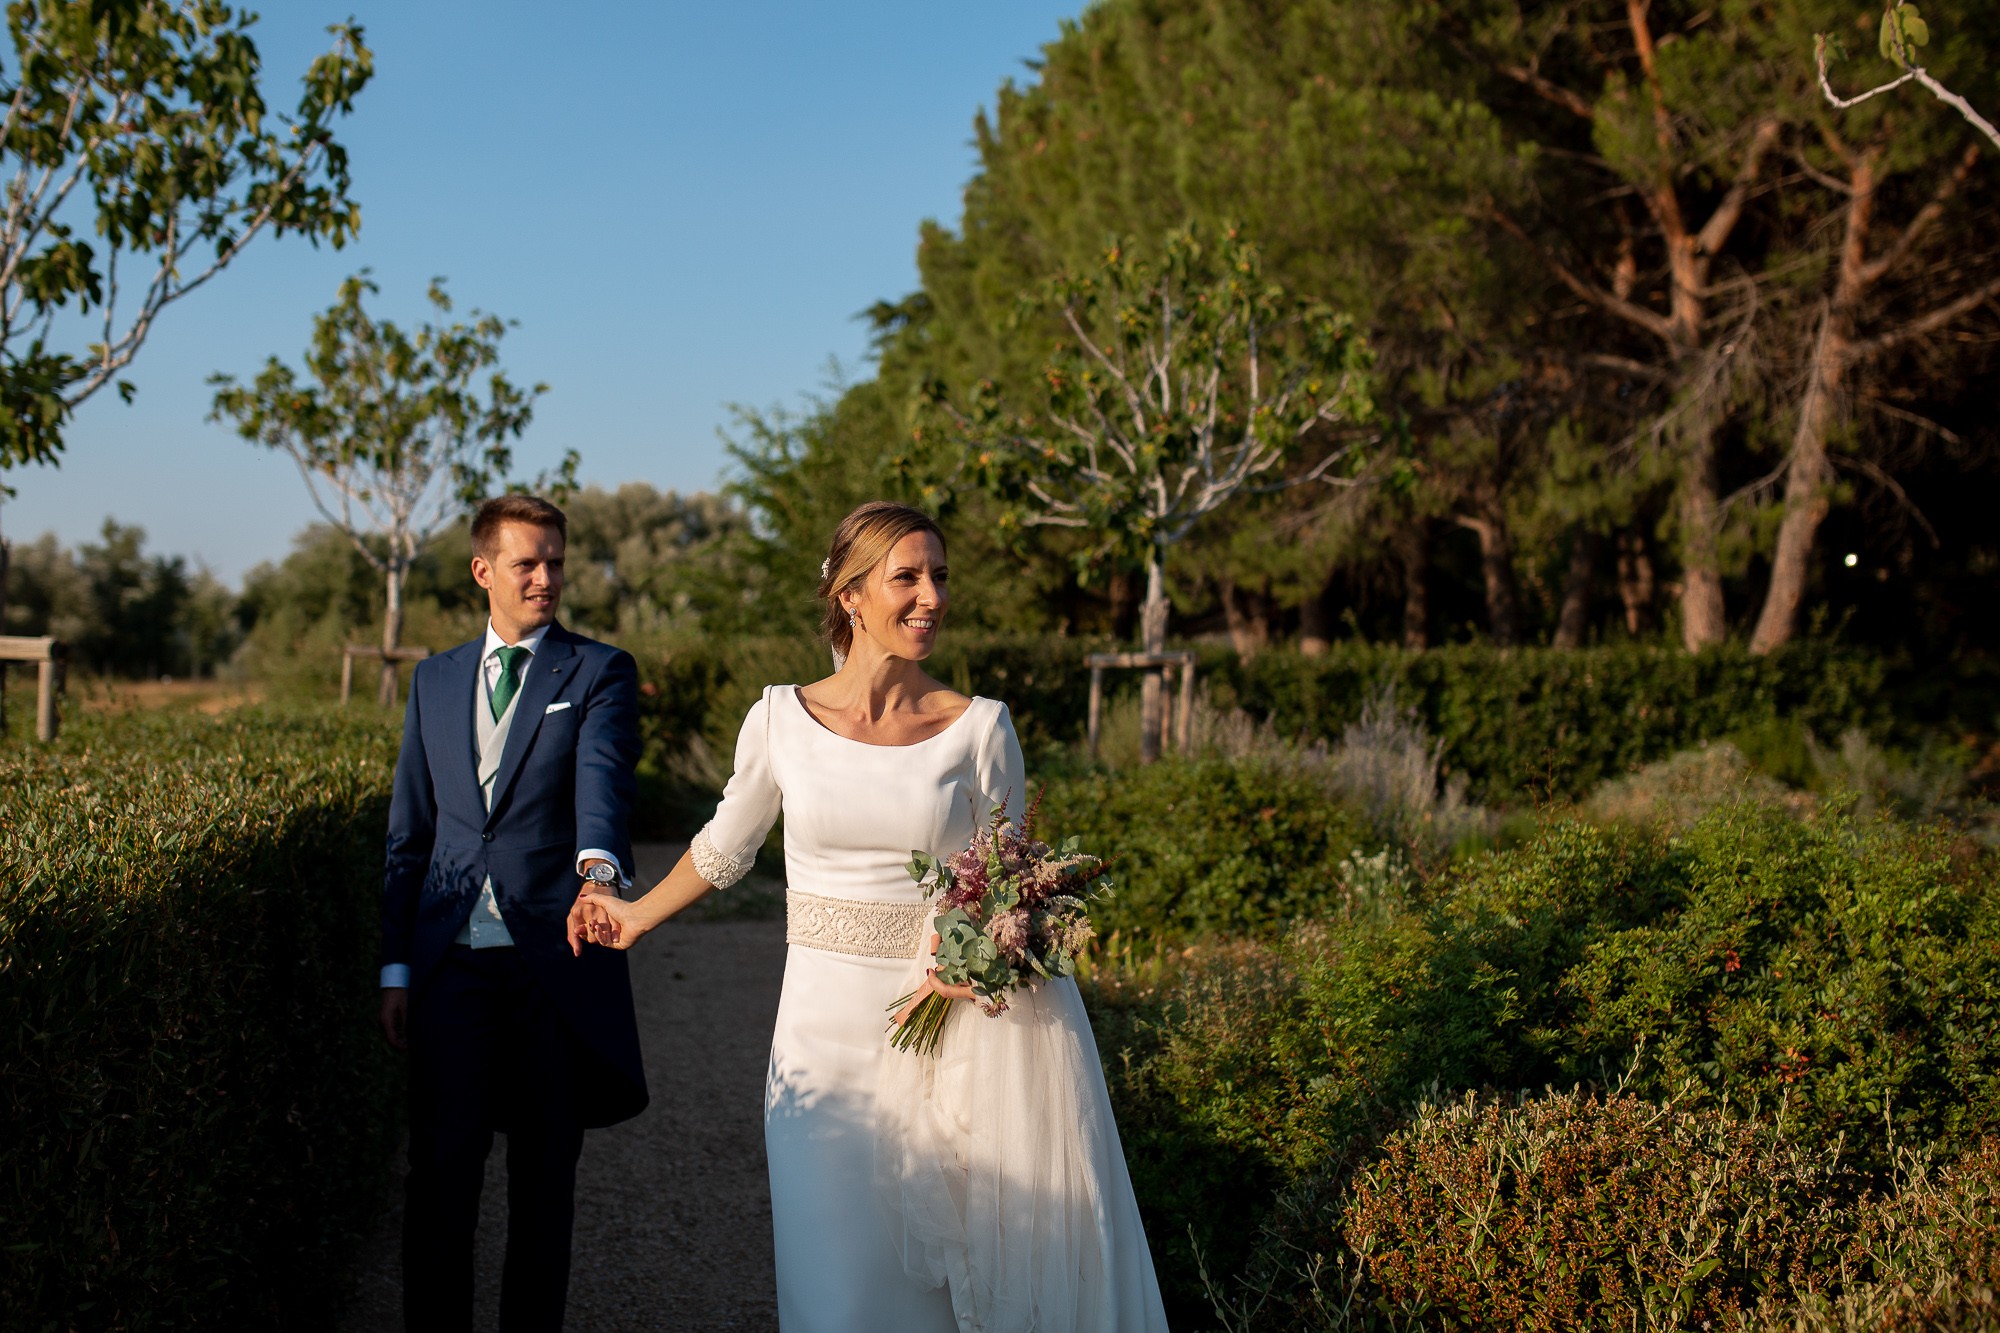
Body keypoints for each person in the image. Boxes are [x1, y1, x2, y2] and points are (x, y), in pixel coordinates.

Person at [568, 501, 1169, 1332]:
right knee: (834, 1292)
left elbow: (1010, 884)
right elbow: (724, 847)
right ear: (850, 595)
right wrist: (635, 917)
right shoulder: (780, 717)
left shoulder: (982, 728)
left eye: (940, 576)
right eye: (908, 577)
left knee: (936, 1290)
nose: (932, 596)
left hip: (946, 1042)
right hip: (817, 1048)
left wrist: (976, 964)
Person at [379, 493, 646, 1332]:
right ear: (481, 570)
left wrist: (598, 873)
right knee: (441, 1178)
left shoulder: (598, 670)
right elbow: (407, 834)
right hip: (450, 965)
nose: (546, 578)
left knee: (542, 1185)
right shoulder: (435, 677)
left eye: (556, 561)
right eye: (528, 562)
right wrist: (396, 966)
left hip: (550, 966)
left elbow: (603, 785)